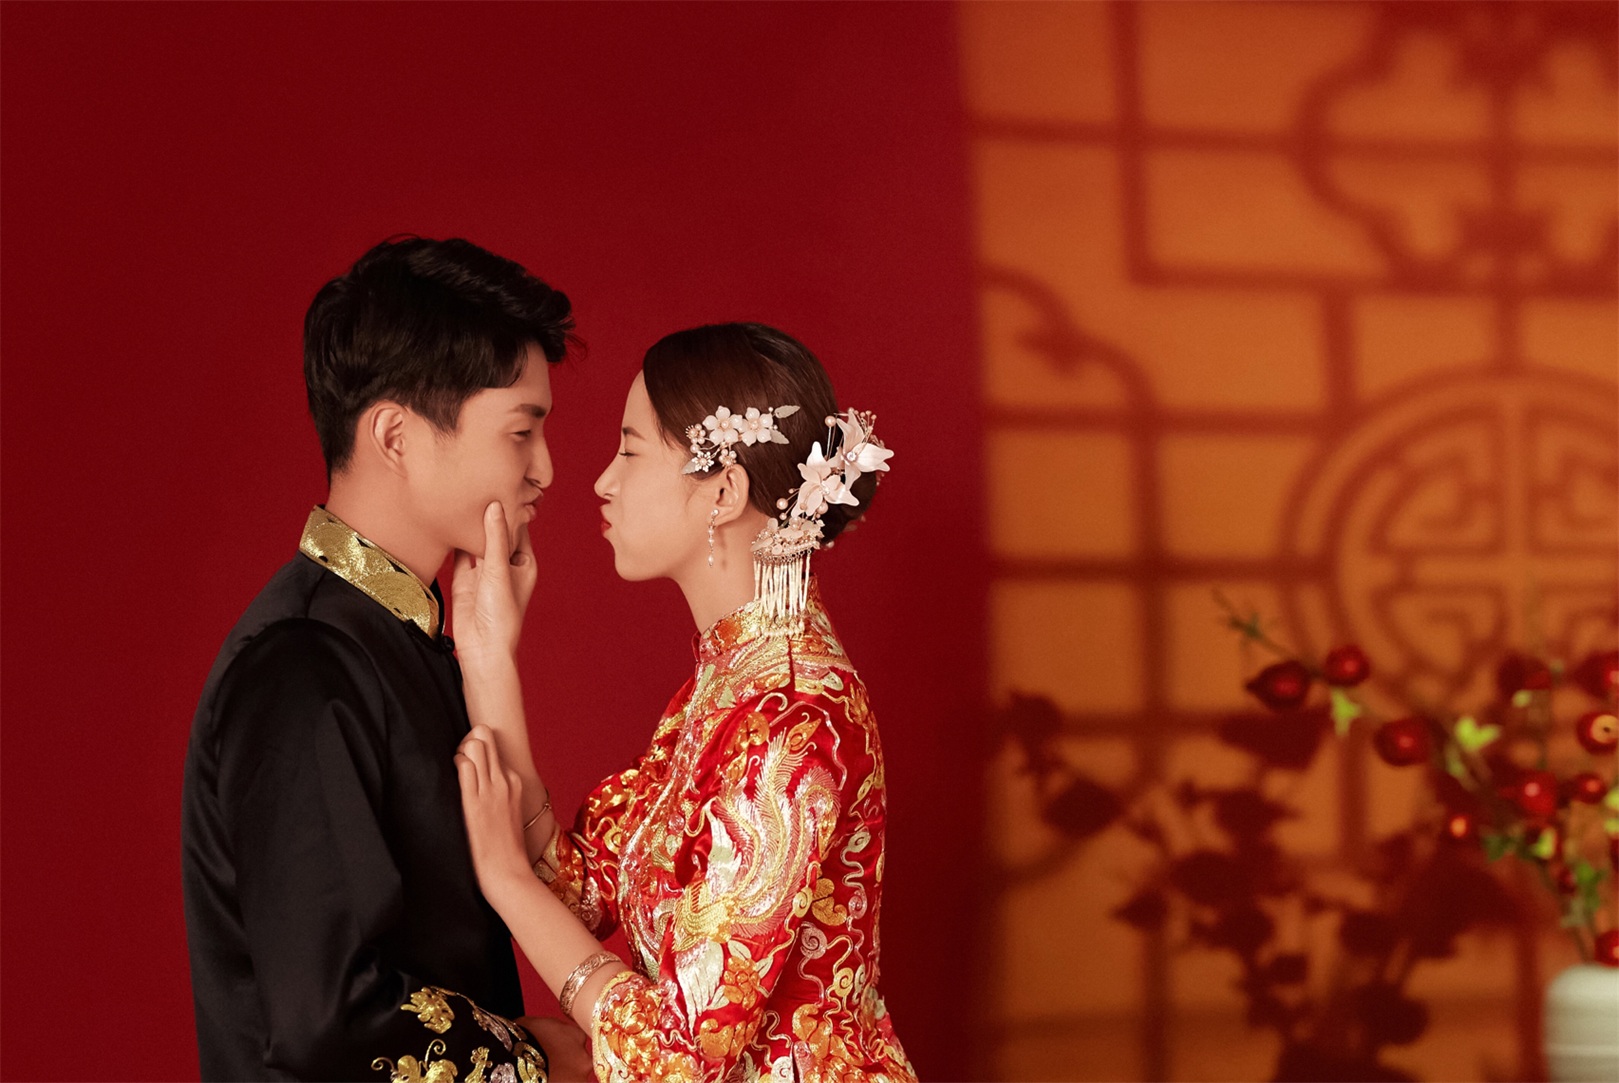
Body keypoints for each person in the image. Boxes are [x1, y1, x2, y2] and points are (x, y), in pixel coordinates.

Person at [452, 322, 917, 1082]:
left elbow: (675, 1061)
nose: (602, 481)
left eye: (631, 450)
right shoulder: (730, 684)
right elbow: (585, 887)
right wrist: (488, 657)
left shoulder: (796, 717)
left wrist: (506, 883)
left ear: (723, 492)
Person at [181, 235, 591, 1081]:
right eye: (521, 432)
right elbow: (324, 1014)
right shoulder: (302, 666)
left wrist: (489, 662)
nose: (545, 470)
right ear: (396, 436)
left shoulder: (402, 637)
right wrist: (528, 1057)